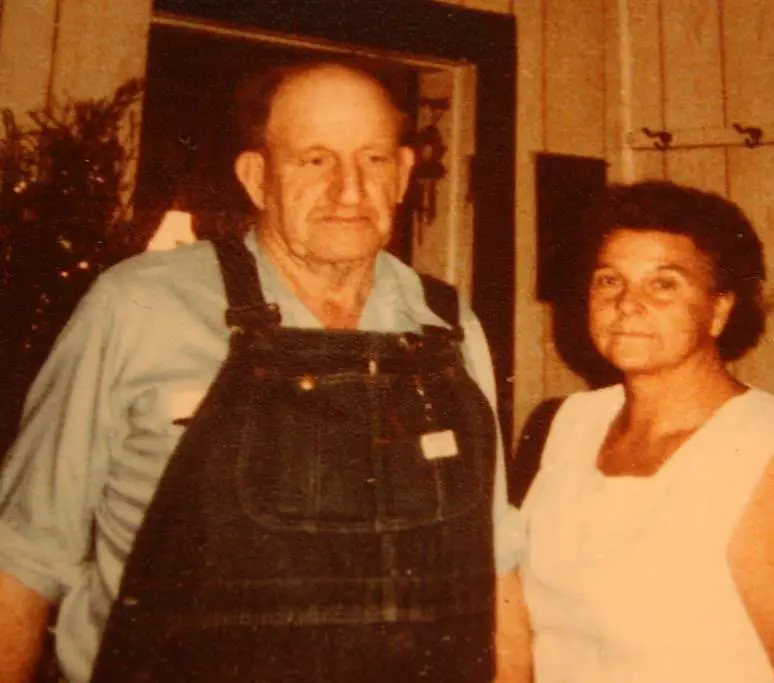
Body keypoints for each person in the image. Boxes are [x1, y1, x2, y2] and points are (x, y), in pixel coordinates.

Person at [0, 62, 525, 683]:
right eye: (315, 161)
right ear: (256, 178)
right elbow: (24, 556)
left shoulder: (447, 327)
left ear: (404, 174)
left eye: (374, 160)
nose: (350, 190)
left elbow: (495, 569)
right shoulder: (138, 305)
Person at [515, 182, 774, 682]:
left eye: (663, 284)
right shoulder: (572, 426)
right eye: (609, 280)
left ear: (719, 309)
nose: (627, 304)